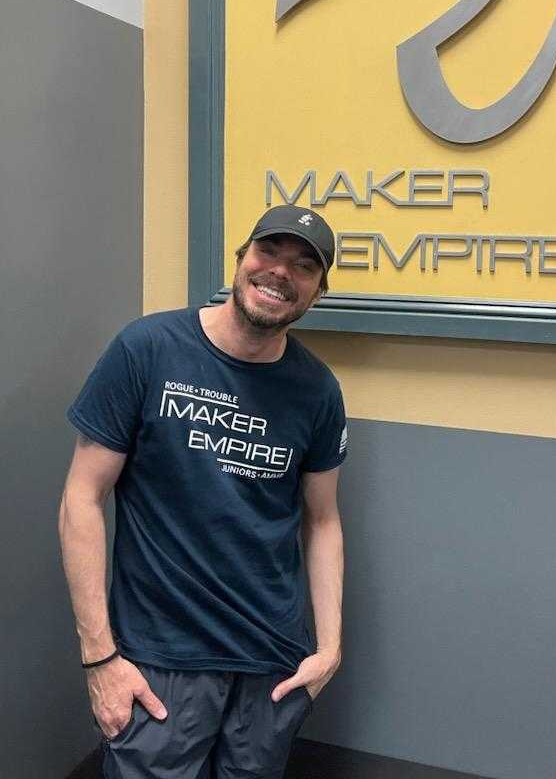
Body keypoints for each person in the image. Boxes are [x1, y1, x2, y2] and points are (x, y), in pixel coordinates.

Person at [59, 205, 347, 778]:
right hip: (162, 660)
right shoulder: (147, 348)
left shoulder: (316, 390)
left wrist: (329, 649)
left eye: (304, 265)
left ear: (317, 291)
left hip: (272, 665)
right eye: (269, 253)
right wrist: (99, 657)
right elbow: (80, 501)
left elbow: (323, 521)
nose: (281, 272)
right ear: (241, 260)